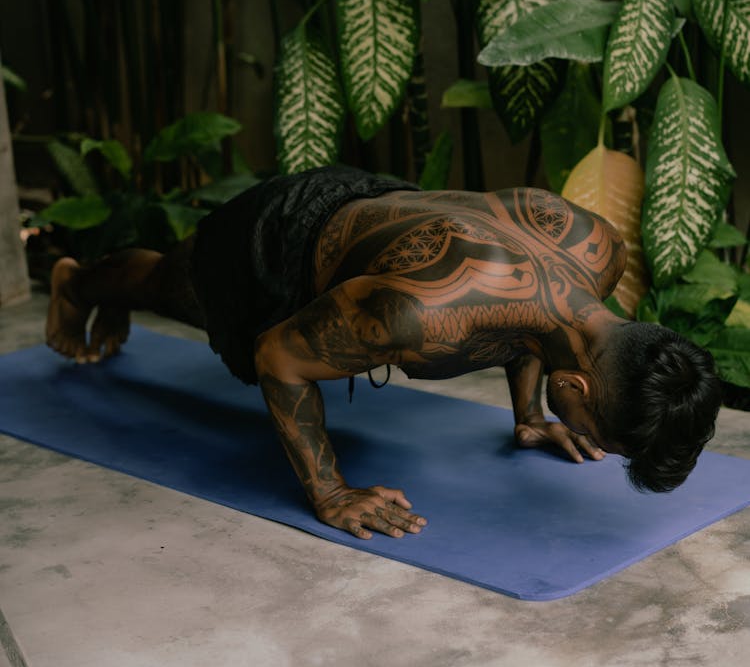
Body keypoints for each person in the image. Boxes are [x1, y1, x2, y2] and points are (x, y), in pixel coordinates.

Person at [45, 164, 722, 541]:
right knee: (168, 281)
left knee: (171, 279)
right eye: (599, 432)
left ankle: (92, 284)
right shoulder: (422, 318)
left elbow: (538, 319)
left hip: (380, 206)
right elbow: (277, 356)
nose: (593, 441)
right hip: (280, 241)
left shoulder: (597, 250)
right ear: (574, 387)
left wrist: (529, 415)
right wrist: (331, 492)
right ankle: (75, 281)